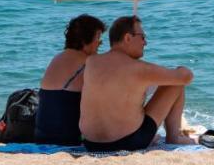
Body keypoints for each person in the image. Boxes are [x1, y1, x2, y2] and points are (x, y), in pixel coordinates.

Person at [79, 15, 195, 152]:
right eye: (142, 37)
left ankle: (155, 136)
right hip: (128, 143)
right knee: (175, 83)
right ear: (127, 38)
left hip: (91, 143)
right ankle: (174, 137)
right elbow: (186, 77)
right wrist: (181, 68)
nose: (145, 43)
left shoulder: (92, 62)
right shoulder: (138, 68)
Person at [33, 14, 105, 145]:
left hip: (42, 135)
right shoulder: (89, 62)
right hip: (67, 138)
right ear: (85, 40)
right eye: (98, 37)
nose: (101, 42)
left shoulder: (58, 58)